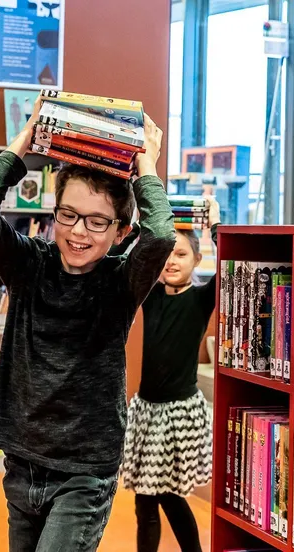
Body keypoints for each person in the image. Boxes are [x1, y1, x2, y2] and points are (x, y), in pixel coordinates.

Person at [0, 97, 176, 552]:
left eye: (98, 222)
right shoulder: (28, 265)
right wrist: (28, 139)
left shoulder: (121, 282)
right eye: (69, 215)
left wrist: (146, 165)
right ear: (54, 214)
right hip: (22, 461)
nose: (79, 232)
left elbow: (159, 236)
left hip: (84, 472)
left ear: (120, 233)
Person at [113, 200, 221, 552]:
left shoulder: (202, 299)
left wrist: (215, 226)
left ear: (197, 260)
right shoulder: (151, 294)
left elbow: (232, 269)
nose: (171, 262)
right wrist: (145, 224)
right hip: (147, 411)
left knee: (171, 499)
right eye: (167, 255)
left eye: (181, 255)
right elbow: (129, 257)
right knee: (144, 502)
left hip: (179, 415)